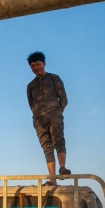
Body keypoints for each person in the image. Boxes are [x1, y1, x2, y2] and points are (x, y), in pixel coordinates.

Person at [26, 51, 69, 186]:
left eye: (38, 64)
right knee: (46, 147)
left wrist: (56, 113)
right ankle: (52, 179)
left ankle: (62, 168)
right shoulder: (30, 86)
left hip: (54, 114)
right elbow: (31, 104)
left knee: (58, 140)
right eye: (33, 66)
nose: (36, 68)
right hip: (39, 119)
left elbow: (64, 100)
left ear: (44, 64)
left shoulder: (54, 78)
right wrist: (38, 116)